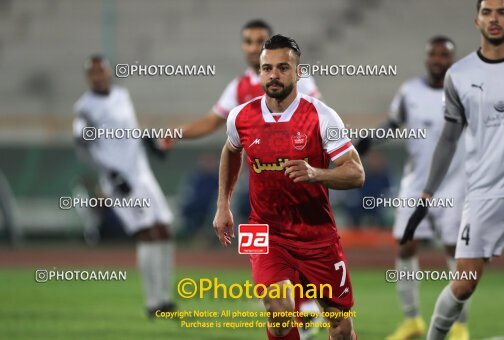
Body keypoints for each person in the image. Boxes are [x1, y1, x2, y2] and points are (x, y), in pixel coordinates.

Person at [213, 34, 364, 340]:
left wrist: (316, 174)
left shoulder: (322, 116)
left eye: (282, 68)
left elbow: (356, 173)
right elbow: (231, 150)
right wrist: (223, 205)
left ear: (298, 71)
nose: (273, 75)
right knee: (279, 312)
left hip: (317, 234)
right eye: (266, 68)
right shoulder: (240, 117)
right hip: (263, 230)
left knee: (340, 327)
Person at [401, 1, 504, 339]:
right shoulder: (459, 75)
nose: (495, 19)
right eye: (488, 12)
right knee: (463, 284)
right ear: (476, 19)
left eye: (503, 11)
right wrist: (427, 193)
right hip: (484, 193)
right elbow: (448, 139)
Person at [357, 36, 469, 340]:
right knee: (405, 246)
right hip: (415, 182)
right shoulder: (410, 91)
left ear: (452, 59)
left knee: (454, 251)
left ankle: (458, 325)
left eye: (443, 55)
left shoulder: (465, 90)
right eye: (433, 54)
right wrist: (368, 141)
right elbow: (394, 123)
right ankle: (412, 321)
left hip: (454, 184)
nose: (437, 59)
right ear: (426, 58)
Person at [73, 55, 176, 317]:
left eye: (102, 71)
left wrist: (148, 142)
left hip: (141, 172)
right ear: (88, 77)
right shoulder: (85, 108)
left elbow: (130, 130)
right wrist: (109, 174)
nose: (98, 76)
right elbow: (82, 148)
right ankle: (153, 303)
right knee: (145, 233)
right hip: (120, 180)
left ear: (108, 73)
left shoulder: (122, 95)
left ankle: (165, 298)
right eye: (93, 73)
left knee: (164, 229)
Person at [160, 19, 321, 148]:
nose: (253, 48)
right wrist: (177, 132)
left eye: (260, 41)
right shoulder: (239, 86)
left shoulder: (296, 76)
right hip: (261, 171)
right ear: (242, 46)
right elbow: (211, 122)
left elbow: (319, 113)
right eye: (248, 42)